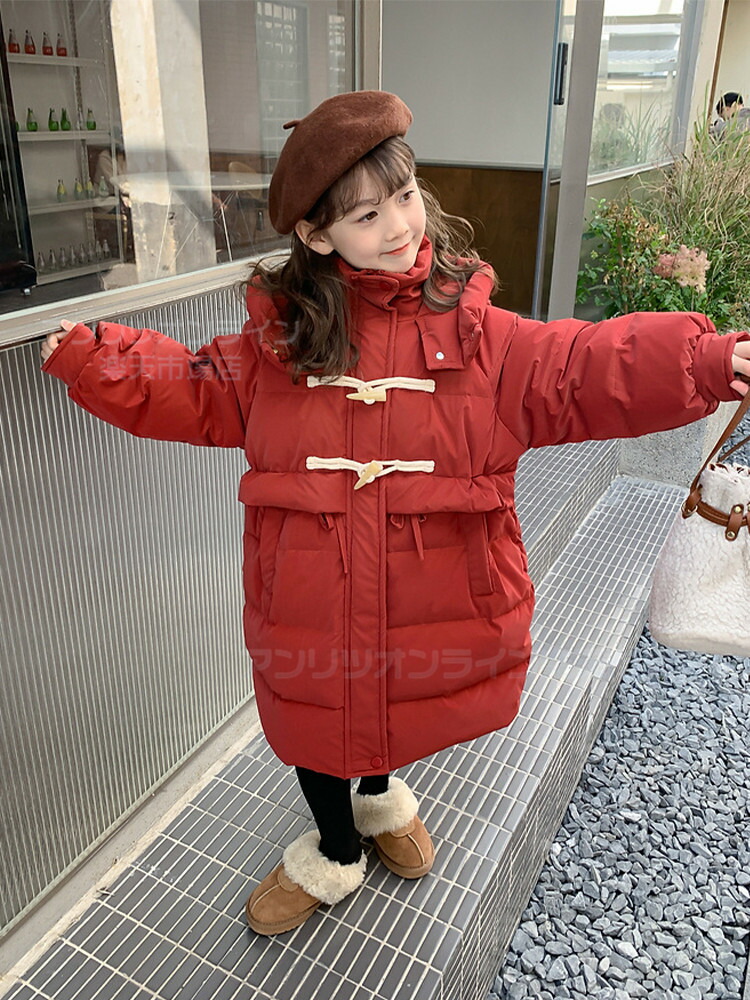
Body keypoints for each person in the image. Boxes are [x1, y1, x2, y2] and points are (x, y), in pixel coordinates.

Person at [40, 91, 750, 938]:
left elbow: (584, 365)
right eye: (366, 215)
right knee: (313, 725)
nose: (399, 226)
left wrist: (706, 361)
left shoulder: (481, 338)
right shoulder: (278, 350)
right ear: (317, 235)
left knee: (399, 706)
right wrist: (91, 356)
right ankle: (335, 849)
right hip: (307, 602)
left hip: (429, 593)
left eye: (405, 196)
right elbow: (188, 386)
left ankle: (380, 801)